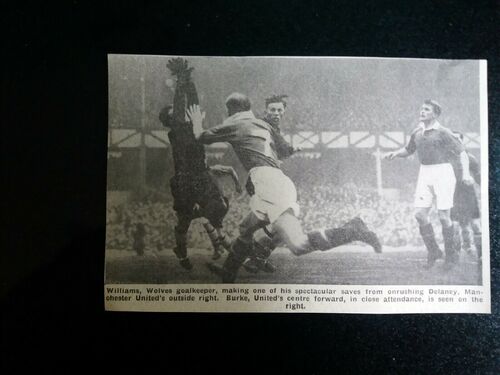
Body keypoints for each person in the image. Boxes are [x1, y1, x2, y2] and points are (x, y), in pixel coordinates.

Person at [186, 93, 381, 283]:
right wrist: (289, 149)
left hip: (269, 184)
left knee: (299, 245)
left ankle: (353, 229)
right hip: (272, 180)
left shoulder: (235, 123)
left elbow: (199, 137)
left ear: (231, 111)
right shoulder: (263, 124)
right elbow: (283, 150)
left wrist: (196, 121)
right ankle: (229, 272)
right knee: (246, 227)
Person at [159, 58, 238, 269]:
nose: (179, 111)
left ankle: (224, 247)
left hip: (201, 176)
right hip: (186, 179)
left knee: (216, 212)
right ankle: (182, 252)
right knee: (184, 222)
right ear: (169, 118)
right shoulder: (176, 129)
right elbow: (179, 106)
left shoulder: (191, 125)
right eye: (173, 112)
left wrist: (189, 81)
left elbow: (192, 105)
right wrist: (180, 82)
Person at [384, 100, 474, 268]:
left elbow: (462, 153)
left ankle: (451, 256)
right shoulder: (417, 132)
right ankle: (434, 251)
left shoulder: (443, 132)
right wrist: (395, 153)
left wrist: (466, 173)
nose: (422, 111)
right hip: (424, 173)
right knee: (419, 215)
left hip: (443, 172)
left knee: (443, 217)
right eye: (422, 109)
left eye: (427, 109)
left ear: (435, 114)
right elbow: (409, 150)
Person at [243, 94, 300, 273]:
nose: (276, 113)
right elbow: (283, 149)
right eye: (272, 110)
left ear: (283, 112)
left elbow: (278, 151)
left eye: (279, 110)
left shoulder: (272, 127)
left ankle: (257, 256)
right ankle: (257, 256)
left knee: (252, 225)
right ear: (266, 111)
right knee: (284, 221)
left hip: (261, 179)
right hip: (263, 179)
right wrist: (292, 149)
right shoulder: (266, 126)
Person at [450, 131, 482, 260]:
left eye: (458, 139)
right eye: (453, 139)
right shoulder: (446, 159)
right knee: (455, 224)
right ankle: (456, 252)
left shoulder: (471, 158)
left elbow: (479, 177)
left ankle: (480, 253)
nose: (455, 142)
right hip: (453, 194)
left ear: (462, 141)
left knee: (474, 223)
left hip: (469, 194)